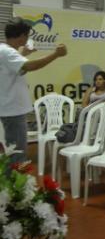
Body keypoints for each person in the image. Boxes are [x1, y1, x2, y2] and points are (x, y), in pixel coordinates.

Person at [0, 17, 67, 163]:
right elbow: (30, 67)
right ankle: (16, 185)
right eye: (27, 35)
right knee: (17, 156)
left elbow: (16, 70)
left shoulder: (6, 52)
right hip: (13, 112)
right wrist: (56, 54)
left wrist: (23, 54)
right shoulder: (6, 52)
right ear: (22, 36)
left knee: (13, 153)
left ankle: (13, 184)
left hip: (11, 110)